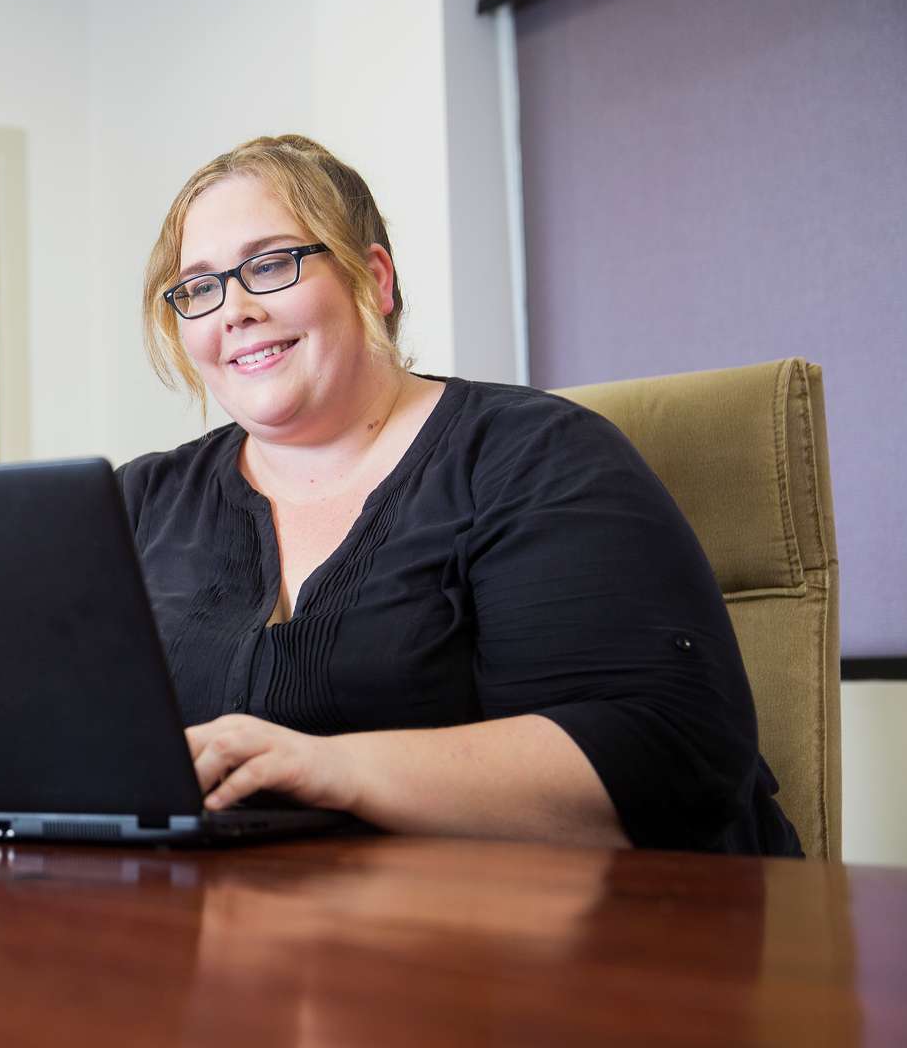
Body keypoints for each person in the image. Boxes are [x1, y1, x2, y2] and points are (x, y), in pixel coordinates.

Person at [119, 134, 801, 855]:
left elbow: (668, 754)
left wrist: (331, 767)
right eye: (197, 286)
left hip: (585, 934)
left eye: (271, 263)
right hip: (251, 928)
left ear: (373, 280)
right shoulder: (138, 504)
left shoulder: (535, 456)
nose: (234, 309)